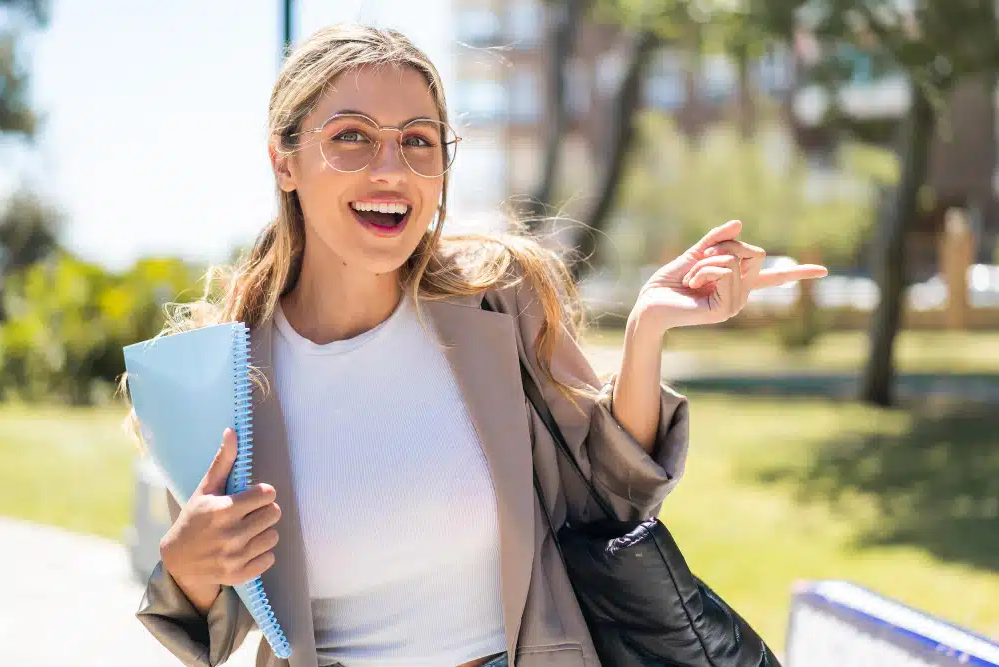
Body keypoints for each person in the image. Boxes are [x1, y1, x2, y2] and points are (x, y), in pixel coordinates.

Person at [132, 24, 826, 667]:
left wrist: (647, 329)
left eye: (418, 140)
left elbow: (614, 496)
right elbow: (219, 620)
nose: (391, 168)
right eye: (351, 136)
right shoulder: (221, 378)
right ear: (284, 161)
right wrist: (189, 566)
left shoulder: (501, 298)